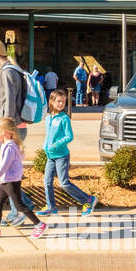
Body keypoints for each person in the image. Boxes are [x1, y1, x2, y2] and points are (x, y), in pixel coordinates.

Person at [0, 118, 46, 239]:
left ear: (4, 132)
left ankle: (39, 224)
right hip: (6, 180)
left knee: (19, 205)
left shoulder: (9, 147)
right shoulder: (8, 145)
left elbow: (5, 165)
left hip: (11, 181)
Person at [36, 88, 98, 217]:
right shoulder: (48, 119)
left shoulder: (64, 118)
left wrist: (56, 144)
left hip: (61, 156)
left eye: (63, 102)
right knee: (47, 182)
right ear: (51, 102)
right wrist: (46, 146)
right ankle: (51, 207)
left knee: (64, 183)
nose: (61, 104)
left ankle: (88, 200)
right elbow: (49, 136)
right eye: (58, 101)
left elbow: (69, 136)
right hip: (50, 156)